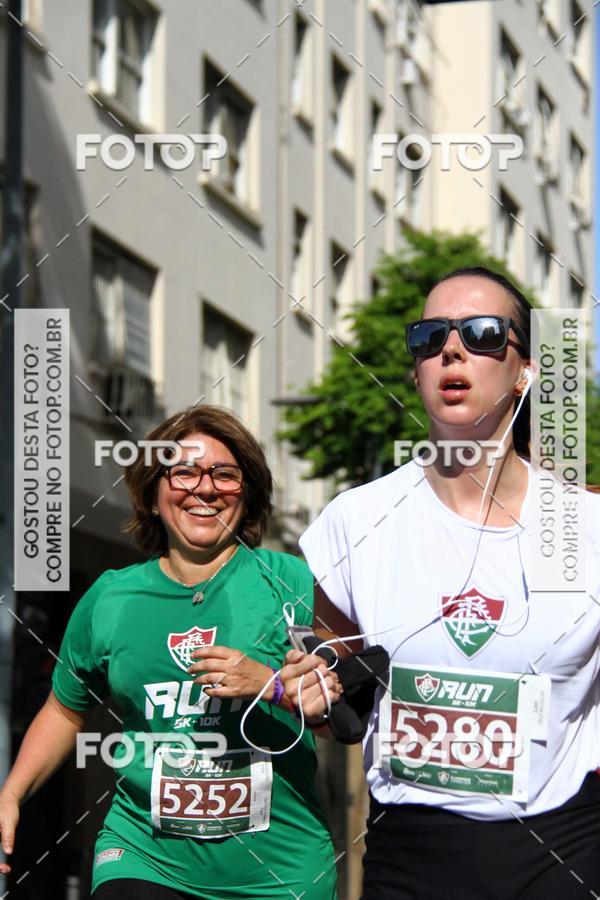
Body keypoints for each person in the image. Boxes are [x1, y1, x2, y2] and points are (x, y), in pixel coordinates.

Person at [280, 267, 600, 899]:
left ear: (525, 372)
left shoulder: (584, 528)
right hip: (413, 851)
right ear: (418, 369)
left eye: (483, 334)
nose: (452, 349)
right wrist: (311, 685)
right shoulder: (357, 521)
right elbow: (331, 671)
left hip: (560, 850)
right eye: (430, 337)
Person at [0, 405, 339, 899]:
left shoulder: (293, 583)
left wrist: (273, 683)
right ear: (154, 495)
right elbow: (64, 710)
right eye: (183, 472)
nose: (204, 489)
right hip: (144, 855)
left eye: (224, 475)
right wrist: (11, 794)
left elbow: (344, 708)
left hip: (277, 871)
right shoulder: (111, 598)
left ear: (247, 495)